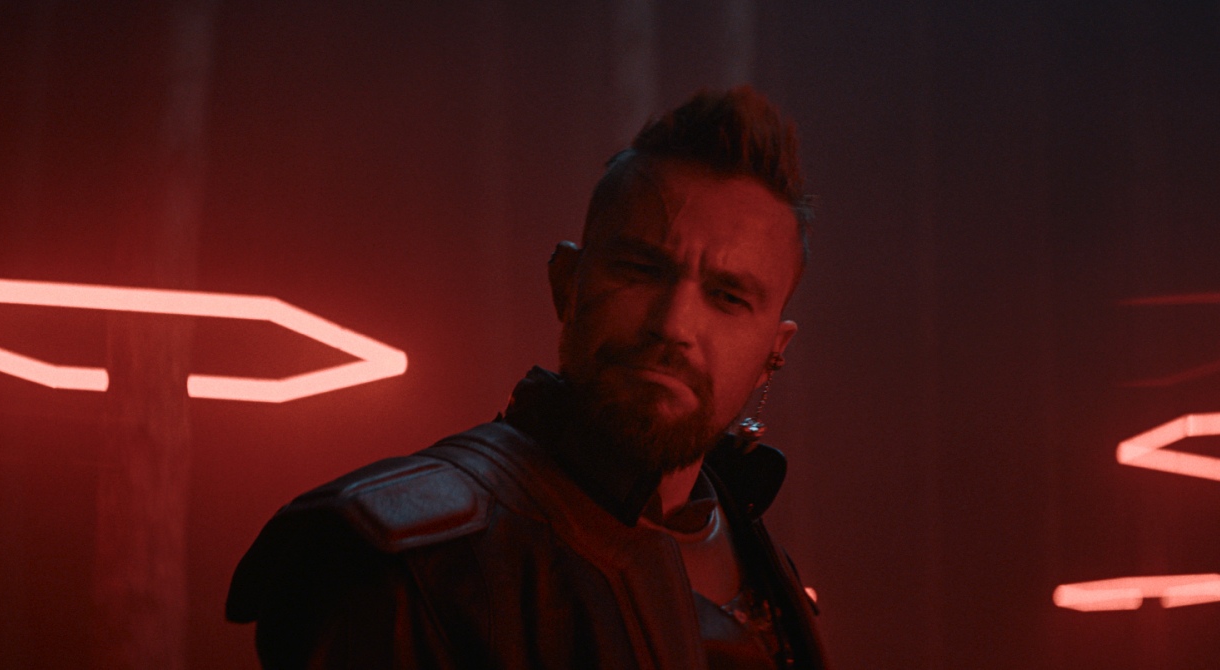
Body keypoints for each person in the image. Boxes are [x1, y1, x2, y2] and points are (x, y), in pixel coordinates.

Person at [226, 86, 829, 669]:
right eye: (641, 269)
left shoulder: (757, 556)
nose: (674, 325)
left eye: (727, 297)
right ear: (567, 283)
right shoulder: (414, 561)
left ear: (773, 354)